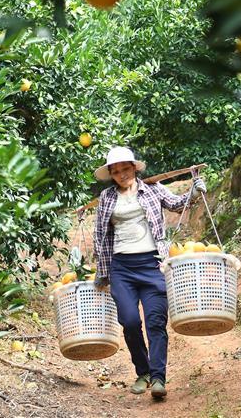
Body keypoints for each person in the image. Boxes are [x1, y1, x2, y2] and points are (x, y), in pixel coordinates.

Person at [91, 146, 206, 400]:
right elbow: (100, 235)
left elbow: (178, 204)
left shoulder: (153, 189)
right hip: (122, 268)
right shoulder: (107, 198)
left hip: (153, 265)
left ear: (134, 167)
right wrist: (102, 271)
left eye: (125, 169)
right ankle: (142, 372)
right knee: (130, 322)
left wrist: (194, 190)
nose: (122, 174)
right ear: (111, 174)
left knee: (155, 322)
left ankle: (157, 378)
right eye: (116, 171)